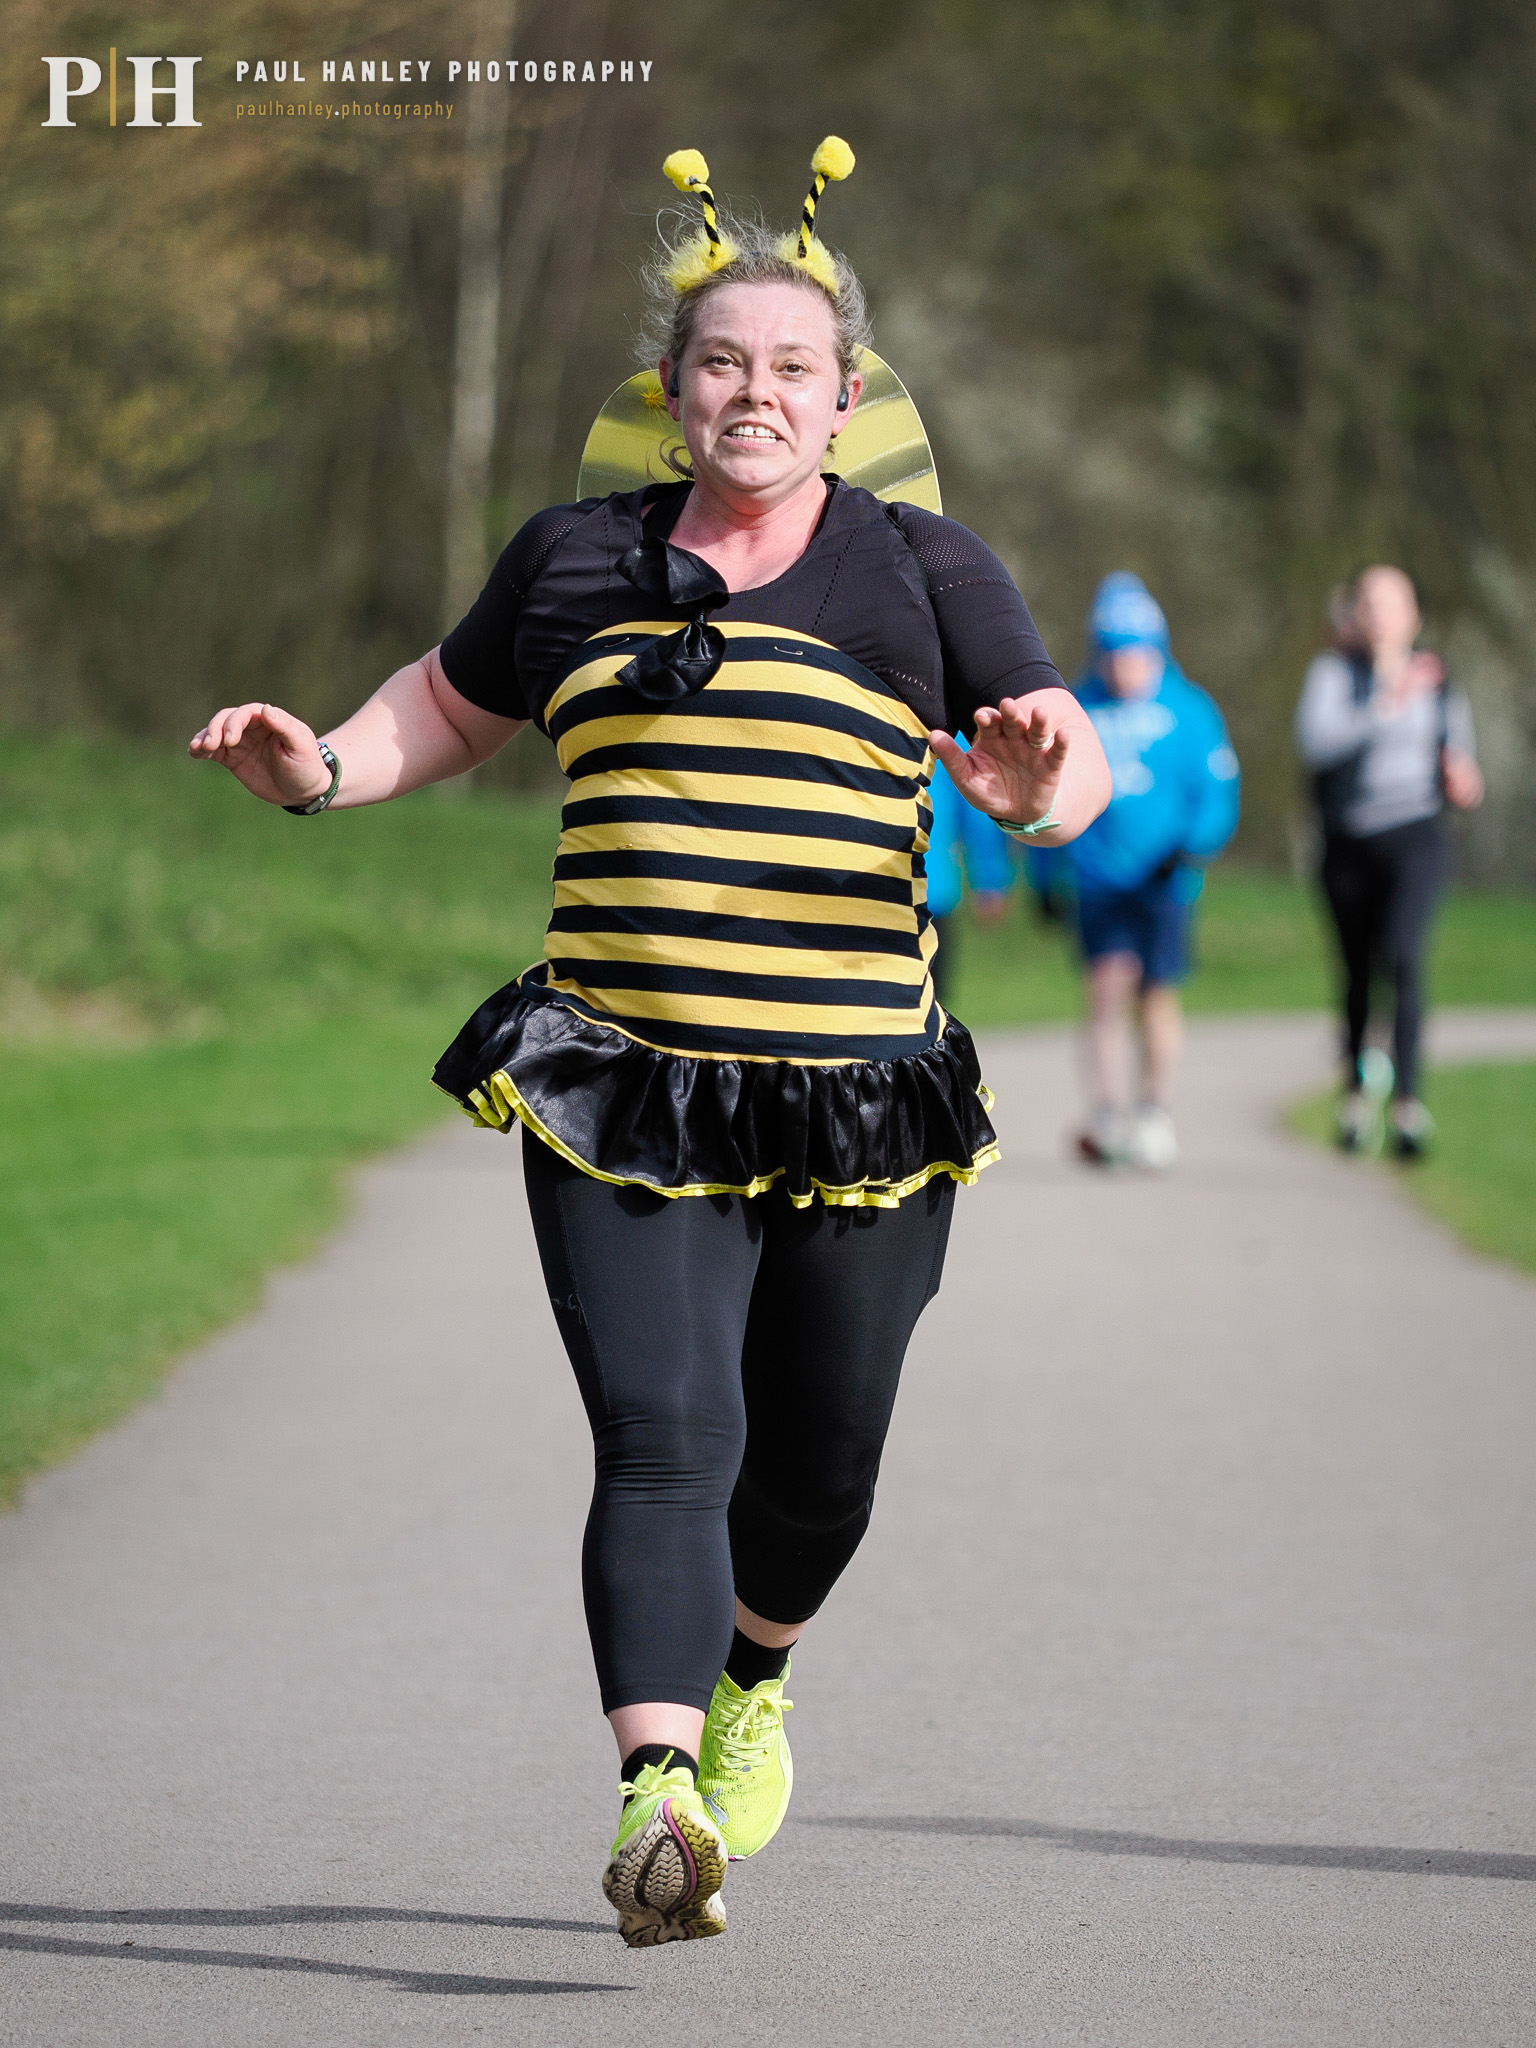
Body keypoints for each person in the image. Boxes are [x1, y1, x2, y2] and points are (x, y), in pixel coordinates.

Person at [190, 137, 1109, 1948]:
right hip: (626, 1079)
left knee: (821, 1462)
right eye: (719, 362)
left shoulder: (920, 569)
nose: (752, 391)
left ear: (845, 400)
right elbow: (441, 711)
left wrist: (1035, 796)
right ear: (670, 390)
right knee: (663, 1433)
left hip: (861, 1090)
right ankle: (656, 1792)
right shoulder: (575, 556)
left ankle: (754, 1672)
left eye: (790, 366)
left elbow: (1061, 753)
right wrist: (323, 769)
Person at [1028, 573, 1240, 1169]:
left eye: (1136, 653)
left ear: (1158, 649)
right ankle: (1104, 1114)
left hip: (1166, 882)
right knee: (1105, 990)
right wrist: (1045, 881)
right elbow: (1047, 798)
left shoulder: (1189, 710)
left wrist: (1192, 847)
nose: (1125, 667)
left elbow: (1218, 792)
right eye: (1113, 653)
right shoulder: (1079, 708)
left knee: (1155, 994)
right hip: (1099, 882)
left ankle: (1154, 1110)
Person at [1295, 564, 1483, 1158]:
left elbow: (1460, 753)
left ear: (1413, 616)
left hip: (1416, 835)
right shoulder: (1332, 674)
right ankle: (1355, 1093)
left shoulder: (1438, 679)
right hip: (1349, 842)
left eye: (1391, 604)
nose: (1379, 616)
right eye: (1369, 604)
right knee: (1356, 971)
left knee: (1403, 957)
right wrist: (1382, 703)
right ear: (1356, 615)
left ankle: (1408, 1105)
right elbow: (1316, 743)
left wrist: (1462, 775)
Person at [925, 741, 1017, 1009]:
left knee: (927, 1009)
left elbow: (974, 804)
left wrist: (990, 879)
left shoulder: (936, 727)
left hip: (929, 892)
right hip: (857, 892)